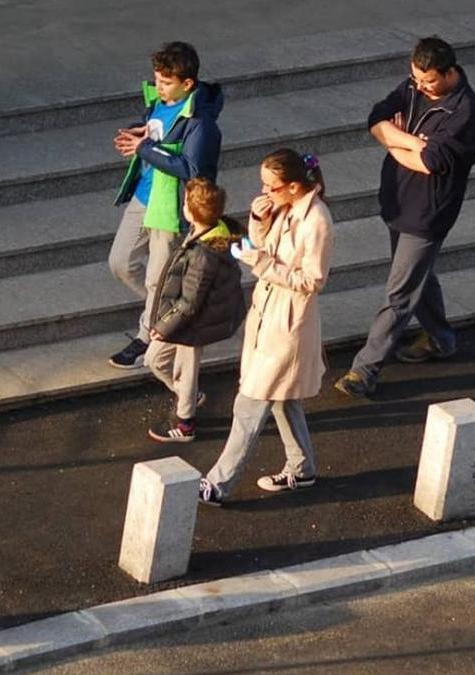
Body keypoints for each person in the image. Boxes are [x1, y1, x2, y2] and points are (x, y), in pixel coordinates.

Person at [334, 36, 475, 398]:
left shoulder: (465, 113)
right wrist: (409, 141)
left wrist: (396, 140)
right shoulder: (414, 87)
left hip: (427, 215)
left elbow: (433, 162)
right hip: (399, 201)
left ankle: (365, 370)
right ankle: (441, 338)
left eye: (428, 81)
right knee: (420, 276)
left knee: (400, 292)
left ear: (449, 73)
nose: (419, 87)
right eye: (415, 79)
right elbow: (376, 119)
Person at [198, 149, 333, 507]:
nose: (264, 191)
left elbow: (313, 280)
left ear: (292, 186)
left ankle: (218, 483)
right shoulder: (286, 207)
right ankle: (302, 468)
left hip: (288, 322)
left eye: (271, 187)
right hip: (269, 314)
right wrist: (259, 223)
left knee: (252, 401)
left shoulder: (316, 220)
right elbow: (266, 248)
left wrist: (258, 261)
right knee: (282, 398)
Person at [108, 41, 224, 369]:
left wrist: (145, 148)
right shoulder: (161, 102)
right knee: (121, 263)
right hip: (143, 196)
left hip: (169, 206)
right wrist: (140, 131)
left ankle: (146, 337)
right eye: (156, 79)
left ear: (188, 84)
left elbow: (192, 169)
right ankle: (171, 312)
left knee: (157, 278)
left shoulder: (201, 123)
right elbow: (156, 129)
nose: (158, 87)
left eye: (165, 82)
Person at [145, 178, 247, 442]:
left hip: (195, 320)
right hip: (194, 316)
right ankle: (188, 396)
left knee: (180, 366)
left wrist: (162, 327)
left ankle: (185, 422)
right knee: (157, 360)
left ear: (190, 211)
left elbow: (190, 300)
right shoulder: (212, 232)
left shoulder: (203, 253)